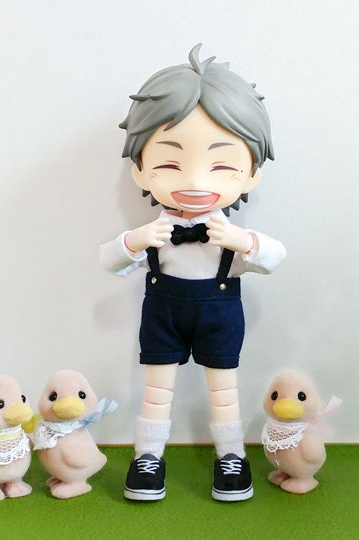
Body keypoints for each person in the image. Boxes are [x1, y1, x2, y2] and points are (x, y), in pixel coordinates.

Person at [100, 44, 286, 502]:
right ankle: (148, 456)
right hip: (162, 315)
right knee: (155, 390)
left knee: (224, 390)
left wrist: (243, 241)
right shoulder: (155, 232)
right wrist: (135, 240)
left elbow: (275, 256)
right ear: (140, 170)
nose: (196, 182)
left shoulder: (230, 235)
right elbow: (109, 261)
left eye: (222, 166)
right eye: (169, 164)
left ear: (251, 175)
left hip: (220, 316)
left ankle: (231, 456)